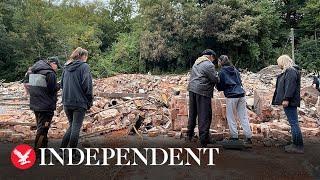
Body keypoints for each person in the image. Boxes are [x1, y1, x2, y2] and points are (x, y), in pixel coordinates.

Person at [60, 47, 93, 151]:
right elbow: (87, 85)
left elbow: (61, 84)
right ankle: (72, 153)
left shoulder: (66, 67)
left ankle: (62, 150)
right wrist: (89, 101)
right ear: (83, 56)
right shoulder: (84, 67)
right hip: (79, 102)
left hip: (66, 102)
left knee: (72, 126)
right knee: (76, 128)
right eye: (86, 57)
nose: (87, 59)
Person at [26, 56, 61, 155]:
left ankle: (44, 150)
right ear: (53, 63)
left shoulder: (34, 71)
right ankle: (37, 151)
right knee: (43, 129)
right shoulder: (50, 73)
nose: (57, 68)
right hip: (46, 106)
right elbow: (52, 89)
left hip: (36, 104)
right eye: (57, 66)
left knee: (41, 127)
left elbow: (31, 86)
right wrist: (59, 85)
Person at [216, 55, 252, 146]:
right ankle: (248, 137)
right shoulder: (235, 70)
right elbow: (240, 81)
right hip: (241, 94)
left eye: (218, 61)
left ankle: (234, 137)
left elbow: (220, 86)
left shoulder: (222, 72)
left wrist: (218, 87)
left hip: (232, 95)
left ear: (220, 62)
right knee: (243, 116)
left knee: (231, 116)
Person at [187, 49, 219, 147]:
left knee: (193, 113)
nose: (213, 60)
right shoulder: (208, 64)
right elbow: (215, 79)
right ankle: (204, 140)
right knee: (204, 115)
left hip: (192, 90)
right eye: (213, 58)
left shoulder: (196, 62)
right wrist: (219, 78)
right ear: (210, 56)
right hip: (203, 92)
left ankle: (189, 135)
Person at [272, 55, 304, 153]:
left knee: (294, 123)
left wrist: (286, 99)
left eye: (279, 62)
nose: (278, 65)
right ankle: (296, 143)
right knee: (293, 123)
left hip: (290, 101)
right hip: (290, 101)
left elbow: (290, 86)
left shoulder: (290, 71)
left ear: (283, 62)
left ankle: (298, 146)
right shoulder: (289, 71)